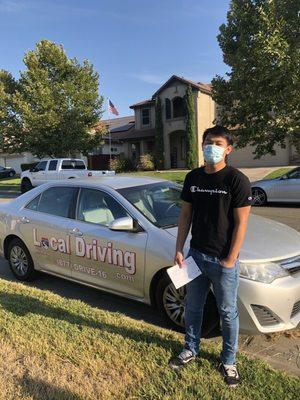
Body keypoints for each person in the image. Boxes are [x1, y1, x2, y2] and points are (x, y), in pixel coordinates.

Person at [169, 125, 252, 388]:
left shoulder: (236, 180)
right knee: (193, 307)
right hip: (195, 256)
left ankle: (229, 361)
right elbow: (185, 215)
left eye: (217, 143)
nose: (210, 147)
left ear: (228, 149)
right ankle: (191, 348)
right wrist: (180, 248)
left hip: (223, 261)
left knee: (227, 313)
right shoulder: (193, 177)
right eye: (207, 142)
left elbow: (241, 224)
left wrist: (230, 259)